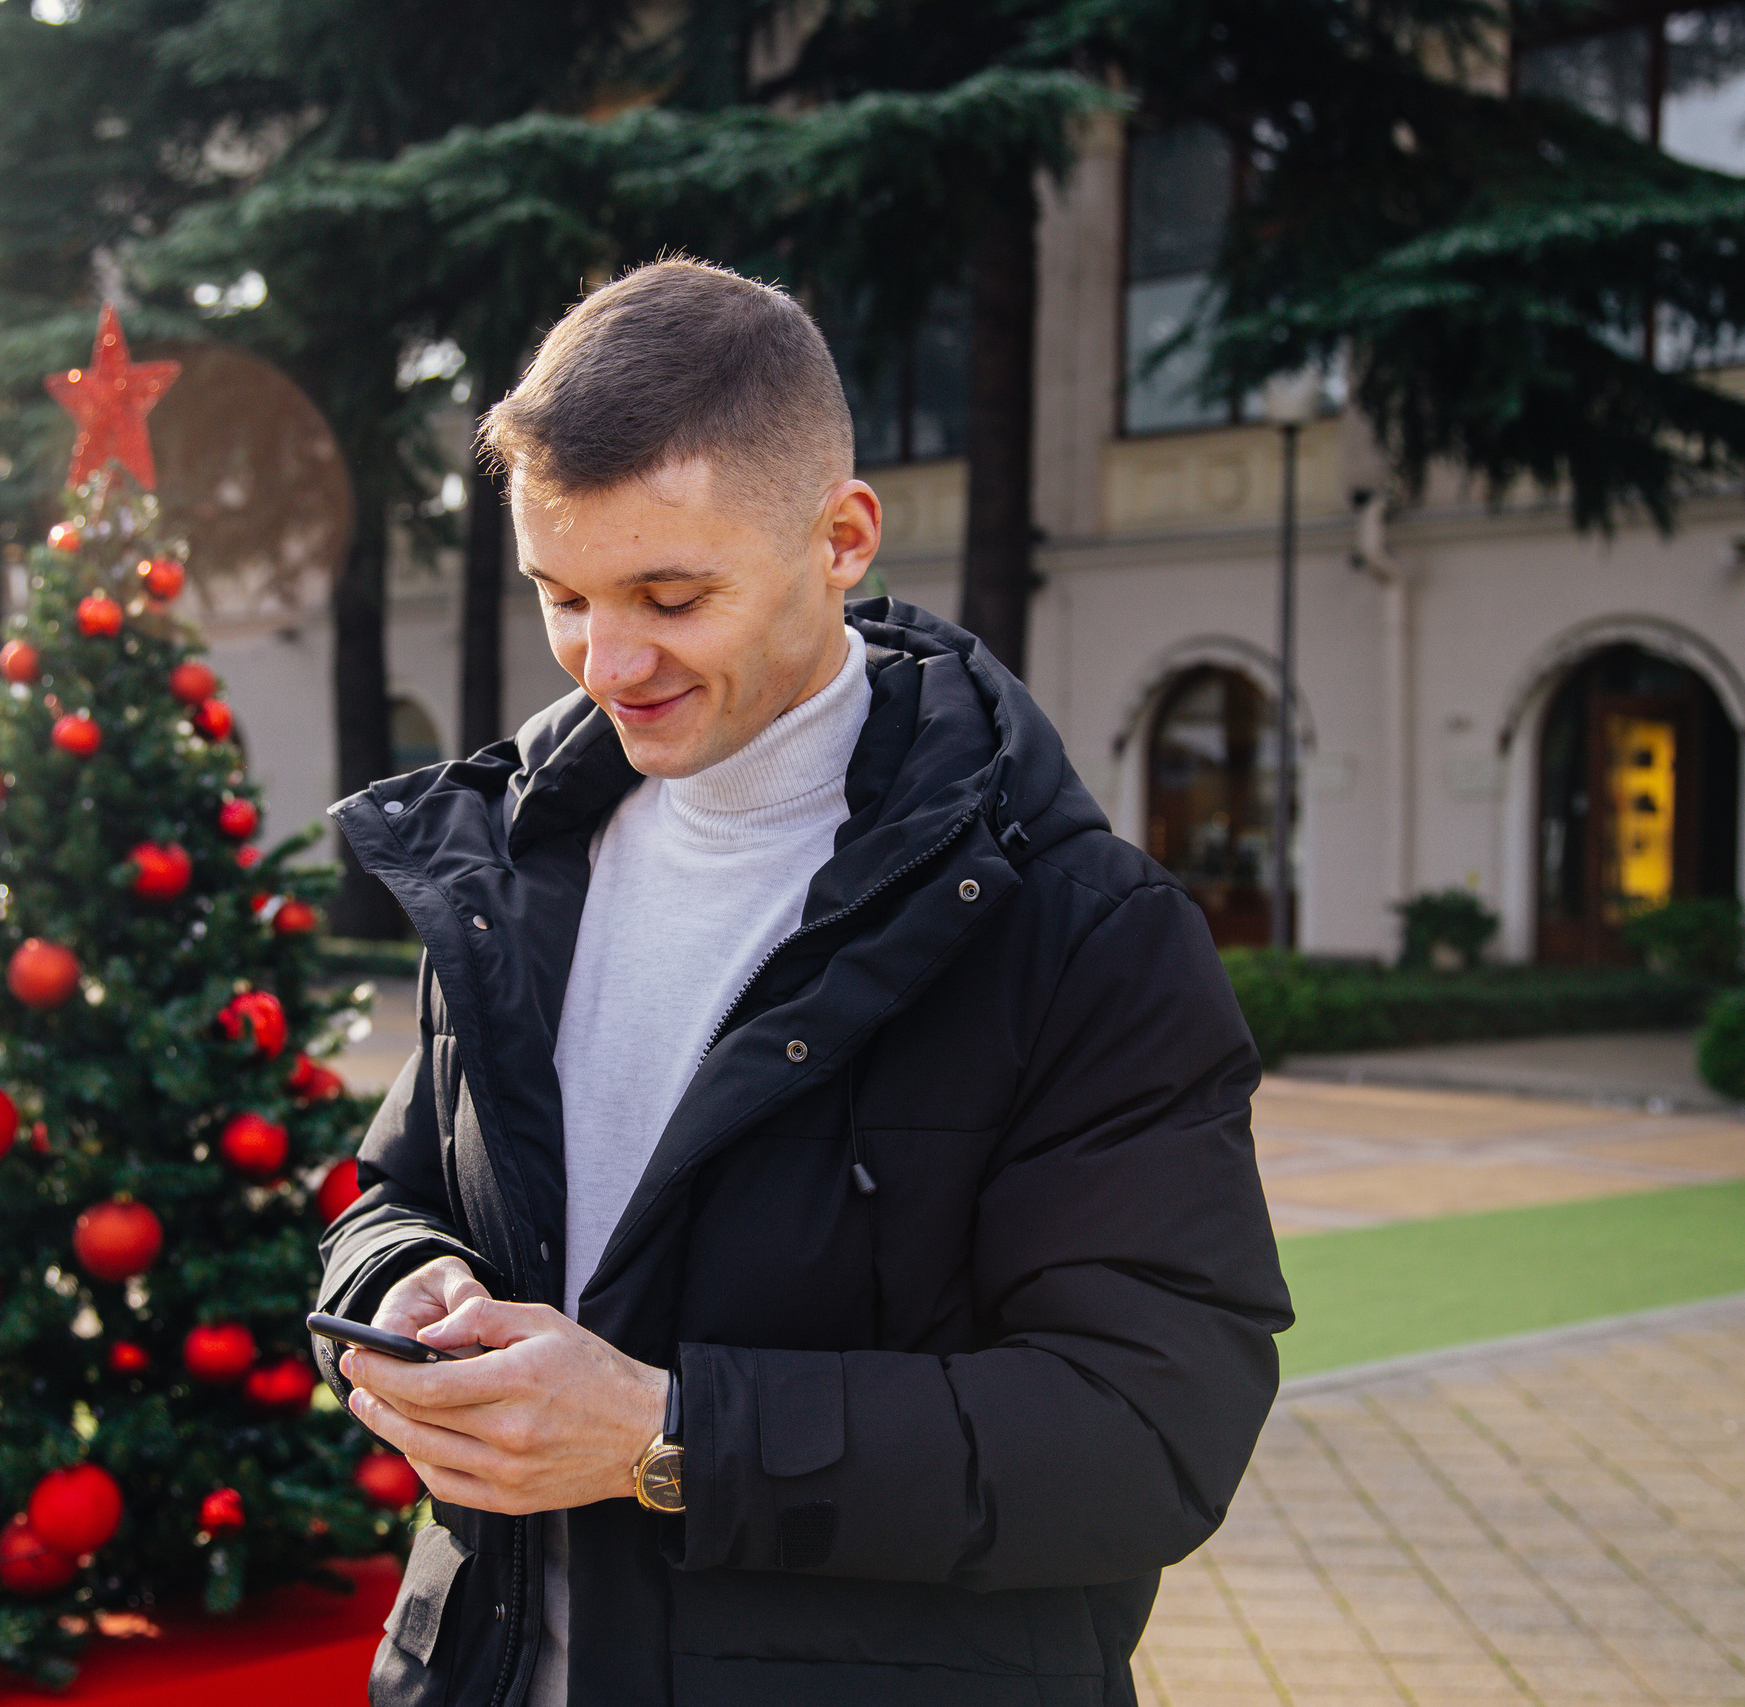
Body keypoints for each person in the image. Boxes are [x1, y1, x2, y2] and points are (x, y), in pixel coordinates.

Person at [316, 258, 1291, 1707]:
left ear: (841, 539)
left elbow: (1151, 1434)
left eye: (671, 594)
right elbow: (391, 1195)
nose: (609, 661)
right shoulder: (516, 861)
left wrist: (667, 1436)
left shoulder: (1085, 931)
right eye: (562, 594)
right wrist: (408, 1286)